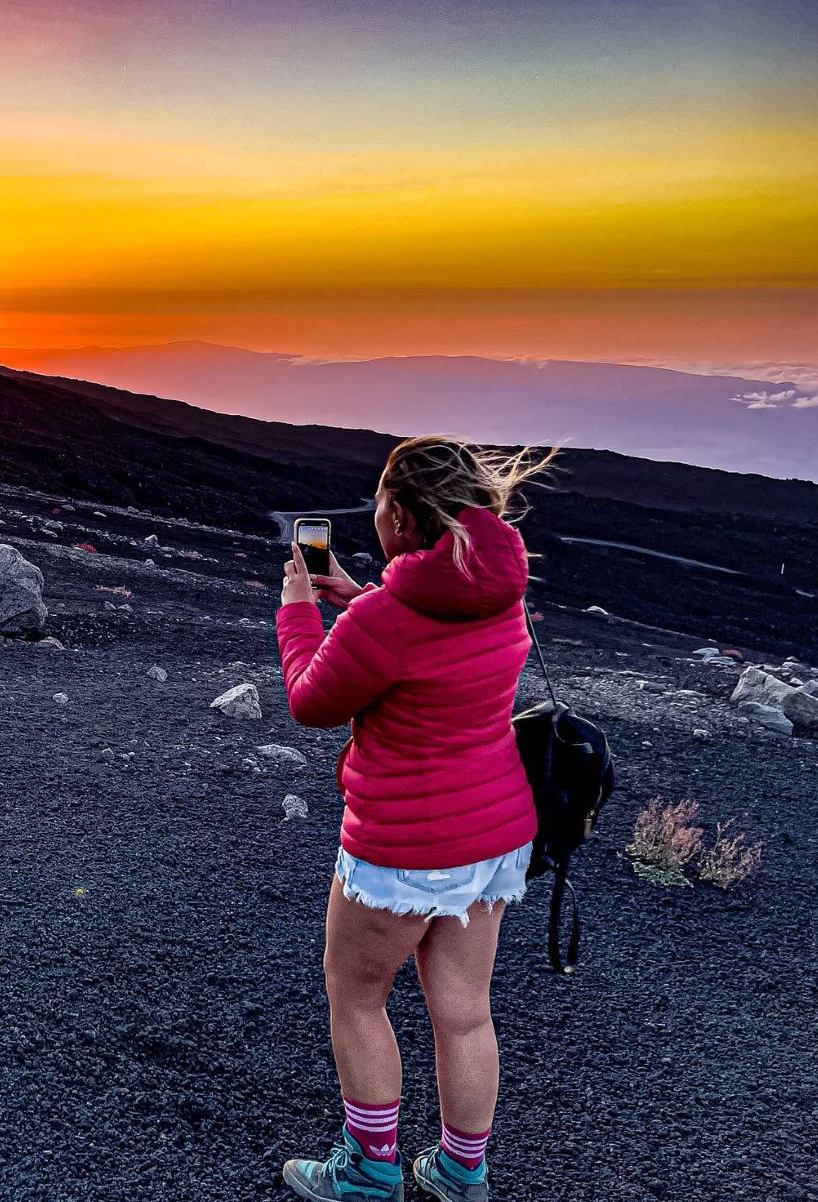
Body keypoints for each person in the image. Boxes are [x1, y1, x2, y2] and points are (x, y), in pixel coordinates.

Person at [275, 436, 554, 1202]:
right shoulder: (500, 593)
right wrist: (358, 596)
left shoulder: (386, 621)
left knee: (357, 994)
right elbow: (431, 650)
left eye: (379, 502)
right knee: (464, 1013)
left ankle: (370, 1173)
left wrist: (299, 614)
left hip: (401, 846)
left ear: (400, 515)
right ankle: (462, 1173)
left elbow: (311, 700)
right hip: (494, 838)